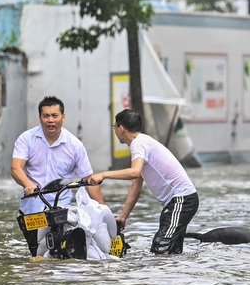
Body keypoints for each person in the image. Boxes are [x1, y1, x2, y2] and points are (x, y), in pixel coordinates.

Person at [88, 109, 199, 255]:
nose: (115, 130)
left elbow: (134, 172)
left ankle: (157, 276)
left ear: (121, 129)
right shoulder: (143, 143)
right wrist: (123, 216)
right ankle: (173, 276)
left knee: (161, 246)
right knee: (172, 251)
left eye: (115, 127)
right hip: (179, 202)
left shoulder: (138, 143)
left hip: (182, 200)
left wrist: (103, 175)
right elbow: (136, 187)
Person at [11, 95, 105, 255]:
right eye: (46, 116)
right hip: (33, 209)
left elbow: (89, 181)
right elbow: (16, 168)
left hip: (62, 210)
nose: (50, 120)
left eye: (55, 115)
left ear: (63, 117)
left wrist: (102, 211)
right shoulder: (26, 139)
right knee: (37, 256)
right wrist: (28, 185)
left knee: (64, 252)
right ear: (40, 117)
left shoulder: (75, 145)